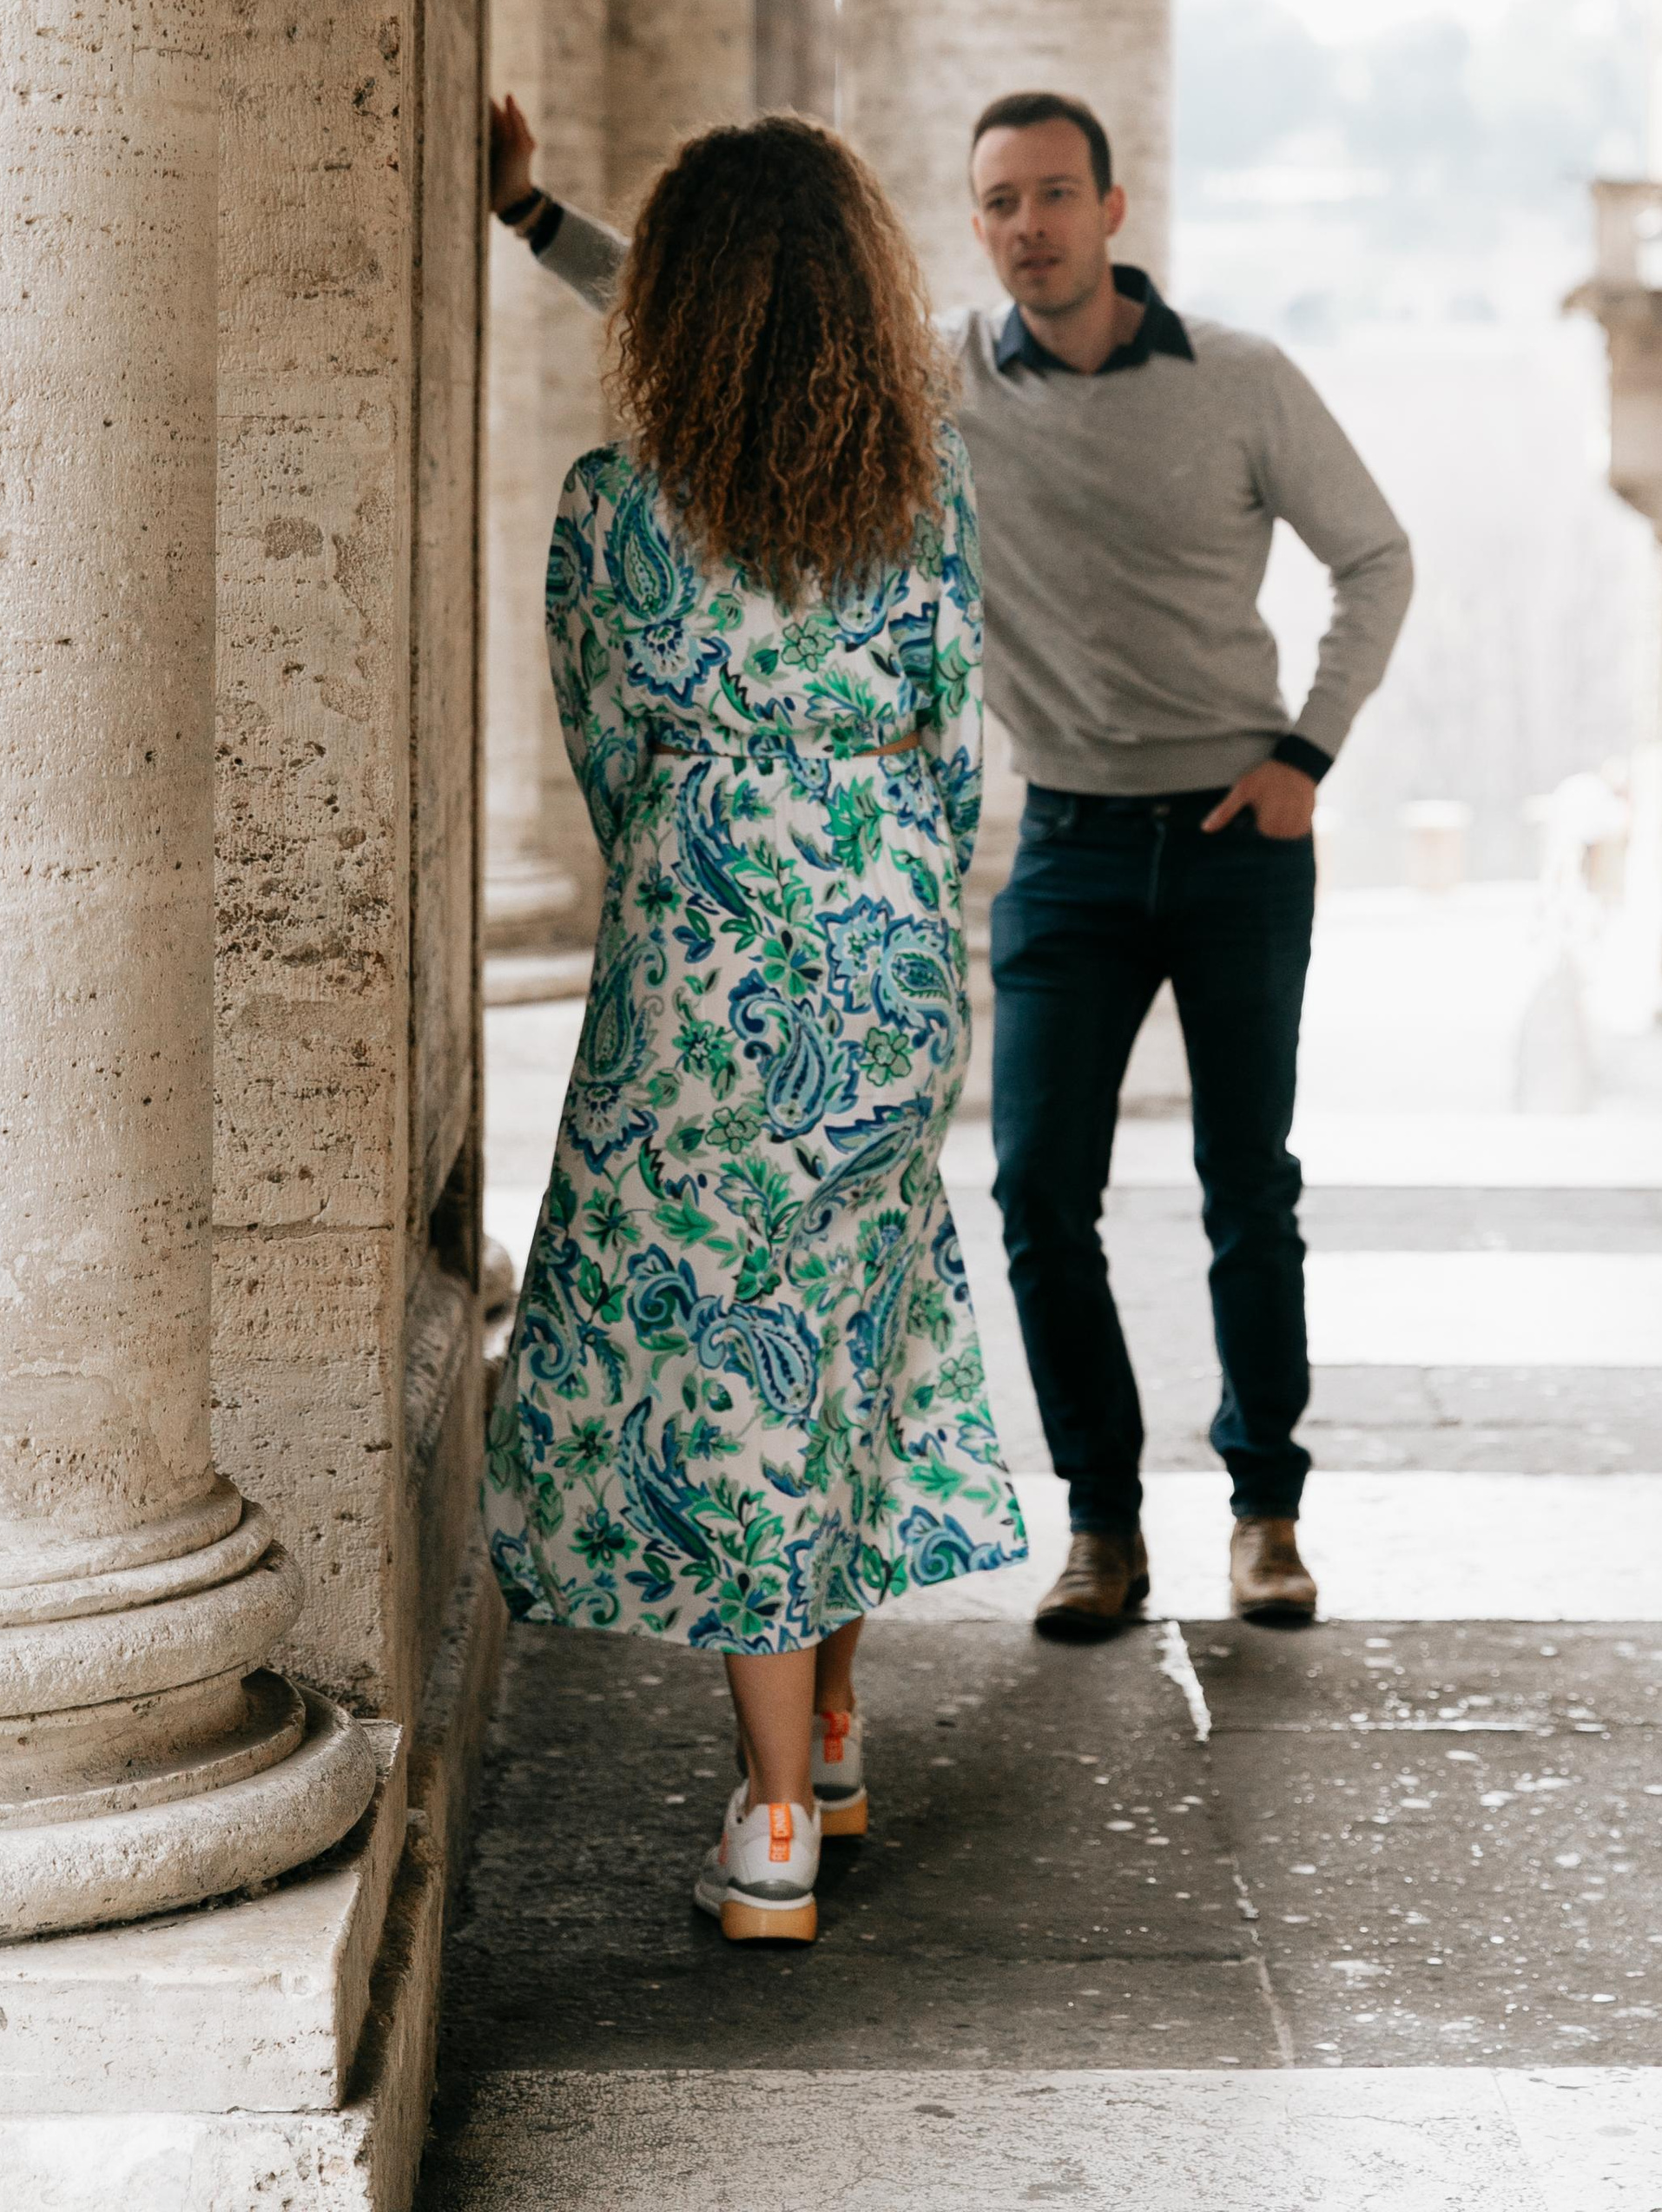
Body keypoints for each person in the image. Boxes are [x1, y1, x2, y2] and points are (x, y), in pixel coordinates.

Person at [489, 86, 1411, 1638]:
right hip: (1068, 838)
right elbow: (730, 300)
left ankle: (1267, 1511)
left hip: (1236, 839)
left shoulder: (1245, 378)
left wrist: (1307, 754)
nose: (1027, 227)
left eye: (1053, 195)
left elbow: (1375, 557)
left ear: (1112, 209)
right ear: (975, 225)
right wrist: (529, 214)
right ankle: (1102, 1527)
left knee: (1248, 1183)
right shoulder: (945, 382)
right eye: (998, 203)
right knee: (1039, 1191)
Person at [482, 116, 1025, 1949]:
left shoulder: (611, 508)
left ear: (678, 311)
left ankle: (776, 1818)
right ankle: (836, 1733)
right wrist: (892, 912)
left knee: (739, 1377)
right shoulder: (926, 500)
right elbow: (954, 745)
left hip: (697, 978)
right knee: (847, 1338)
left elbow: (606, 761)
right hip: (888, 960)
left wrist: (701, 877)